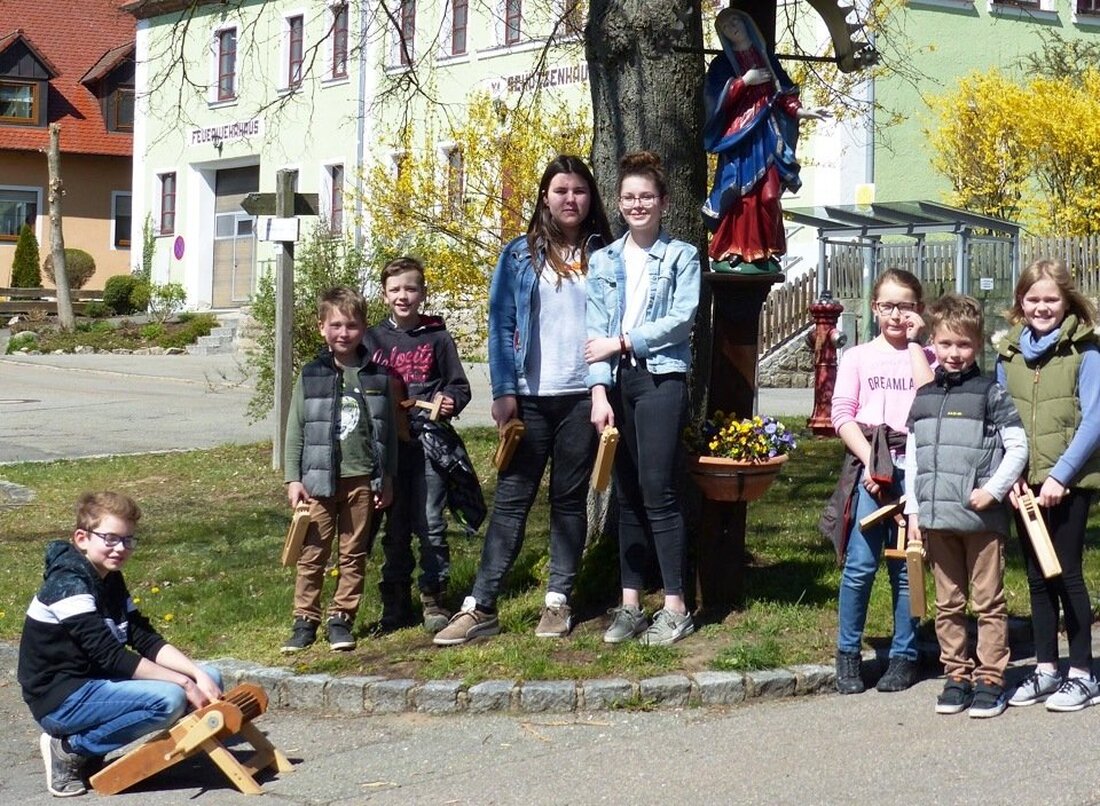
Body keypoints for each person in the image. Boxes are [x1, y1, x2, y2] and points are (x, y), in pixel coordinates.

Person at [434, 155, 612, 645]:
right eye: (561, 191)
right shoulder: (518, 255)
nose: (570, 199)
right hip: (530, 400)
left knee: (569, 501)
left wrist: (605, 389)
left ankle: (558, 601)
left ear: (590, 197)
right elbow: (502, 325)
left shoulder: (607, 256)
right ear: (544, 198)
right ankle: (481, 606)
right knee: (512, 501)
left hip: (583, 396)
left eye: (579, 190)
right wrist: (504, 392)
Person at [17, 492, 224, 798]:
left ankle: (104, 744)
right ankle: (69, 749)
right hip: (60, 698)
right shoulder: (67, 584)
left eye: (128, 540)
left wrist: (195, 673)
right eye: (111, 538)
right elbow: (111, 655)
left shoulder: (109, 578)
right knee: (169, 699)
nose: (121, 548)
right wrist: (182, 682)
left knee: (210, 678)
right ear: (82, 538)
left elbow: (143, 638)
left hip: (97, 683)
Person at [584, 150, 701, 646]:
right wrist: (597, 390)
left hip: (660, 380)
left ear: (664, 202)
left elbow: (681, 318)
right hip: (618, 383)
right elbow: (594, 330)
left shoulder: (683, 256)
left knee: (658, 489)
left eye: (646, 197)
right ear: (619, 202)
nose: (637, 204)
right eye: (629, 197)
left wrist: (626, 342)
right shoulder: (604, 259)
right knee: (626, 493)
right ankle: (630, 604)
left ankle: (675, 606)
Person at [904, 293, 1028, 718]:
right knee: (948, 602)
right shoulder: (923, 397)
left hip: (980, 517)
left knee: (988, 600)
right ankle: (956, 673)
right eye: (945, 345)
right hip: (937, 517)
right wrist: (914, 510)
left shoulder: (990, 393)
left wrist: (992, 490)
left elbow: (1017, 447)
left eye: (963, 345)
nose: (953, 354)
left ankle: (991, 677)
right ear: (932, 345)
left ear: (977, 346)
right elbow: (915, 456)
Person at [820, 268, 934, 694]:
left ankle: (904, 654)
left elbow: (929, 401)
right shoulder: (858, 357)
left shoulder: (927, 357)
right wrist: (872, 462)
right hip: (870, 464)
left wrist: (920, 345)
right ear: (874, 308)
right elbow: (842, 415)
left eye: (905, 306)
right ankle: (847, 653)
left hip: (916, 466)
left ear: (918, 311)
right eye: (888, 305)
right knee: (860, 565)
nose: (896, 315)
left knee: (907, 566)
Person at [995, 259, 1100, 711]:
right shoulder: (1009, 354)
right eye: (1033, 299)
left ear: (1067, 301)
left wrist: (1061, 475)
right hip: (1025, 481)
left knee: (1068, 573)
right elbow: (1001, 419)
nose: (1042, 307)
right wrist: (1013, 474)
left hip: (1070, 481)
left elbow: (1095, 418)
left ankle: (1082, 673)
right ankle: (1045, 668)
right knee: (1038, 578)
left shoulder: (1086, 352)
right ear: (1021, 302)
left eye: (1051, 299)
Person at [282, 286, 397, 653]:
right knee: (312, 552)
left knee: (353, 552)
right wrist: (293, 478)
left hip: (361, 479)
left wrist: (387, 477)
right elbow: (295, 427)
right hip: (318, 481)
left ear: (364, 328)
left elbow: (388, 433)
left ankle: (341, 618)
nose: (343, 333)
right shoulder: (311, 374)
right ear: (321, 328)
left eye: (351, 325)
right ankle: (305, 620)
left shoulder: (377, 376)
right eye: (335, 325)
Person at [364, 256, 472, 634]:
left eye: (410, 288)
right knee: (394, 526)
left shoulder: (438, 338)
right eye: (395, 289)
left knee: (429, 520)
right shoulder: (371, 339)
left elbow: (459, 386)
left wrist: (448, 400)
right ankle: (395, 601)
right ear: (384, 294)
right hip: (388, 448)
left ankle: (434, 597)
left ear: (423, 292)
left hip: (428, 443)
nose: (403, 296)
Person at [701, 7, 827, 273]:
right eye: (725, 26)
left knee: (769, 195)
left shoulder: (765, 57)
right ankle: (734, 249)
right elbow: (714, 101)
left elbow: (782, 92)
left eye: (735, 20)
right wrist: (743, 81)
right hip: (739, 137)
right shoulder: (722, 64)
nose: (732, 27)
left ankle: (764, 249)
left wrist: (802, 111)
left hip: (768, 133)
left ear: (746, 23)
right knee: (739, 194)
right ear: (722, 35)